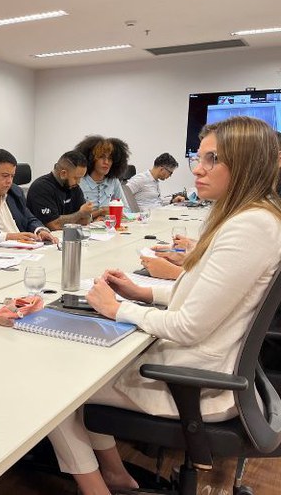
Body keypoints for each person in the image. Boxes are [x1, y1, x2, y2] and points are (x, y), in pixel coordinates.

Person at [47, 116, 281, 495]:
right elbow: (208, 295)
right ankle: (116, 474)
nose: (198, 170)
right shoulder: (250, 216)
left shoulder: (250, 226)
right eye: (199, 158)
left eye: (213, 159)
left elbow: (190, 325)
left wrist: (116, 309)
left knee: (58, 383)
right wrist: (142, 293)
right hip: (202, 366)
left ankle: (96, 488)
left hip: (195, 382)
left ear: (247, 162)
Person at [26, 150, 94, 230]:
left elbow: (85, 220)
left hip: (68, 236)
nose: (78, 182)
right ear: (63, 173)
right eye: (76, 178)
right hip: (44, 239)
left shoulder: (74, 187)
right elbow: (53, 225)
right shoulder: (41, 187)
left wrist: (80, 216)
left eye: (80, 178)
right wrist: (80, 214)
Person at [76, 135, 130, 216]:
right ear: (91, 158)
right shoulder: (79, 181)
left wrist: (111, 213)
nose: (106, 162)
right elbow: (75, 216)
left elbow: (126, 209)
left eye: (110, 158)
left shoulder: (113, 181)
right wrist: (100, 212)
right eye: (101, 157)